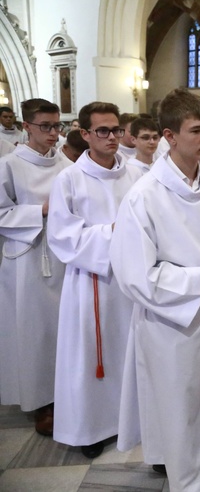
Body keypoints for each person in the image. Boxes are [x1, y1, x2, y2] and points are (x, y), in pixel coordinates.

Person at [112, 88, 200, 492]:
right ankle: (188, 484)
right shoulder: (145, 196)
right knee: (176, 406)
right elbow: (134, 274)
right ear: (169, 135)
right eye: (197, 131)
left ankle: (190, 471)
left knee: (197, 406)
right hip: (170, 319)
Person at [47, 101, 143, 458]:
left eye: (116, 130)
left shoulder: (134, 174)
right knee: (89, 357)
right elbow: (62, 236)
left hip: (131, 281)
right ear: (84, 134)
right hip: (91, 281)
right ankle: (90, 428)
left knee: (129, 351)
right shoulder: (69, 179)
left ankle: (128, 419)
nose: (111, 137)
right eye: (102, 130)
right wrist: (113, 233)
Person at [0, 98, 71, 437]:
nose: (54, 134)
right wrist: (39, 211)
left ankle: (66, 394)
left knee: (63, 329)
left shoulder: (65, 164)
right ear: (27, 126)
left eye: (57, 126)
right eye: (46, 126)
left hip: (62, 255)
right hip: (27, 258)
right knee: (35, 332)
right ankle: (41, 402)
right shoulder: (10, 165)